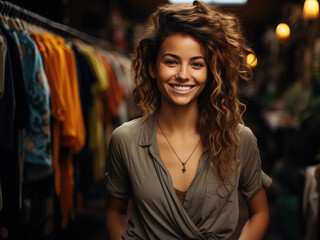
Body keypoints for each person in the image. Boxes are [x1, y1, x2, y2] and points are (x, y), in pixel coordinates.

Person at [104, 1, 272, 239]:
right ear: (152, 67)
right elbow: (114, 212)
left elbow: (260, 213)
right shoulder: (125, 139)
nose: (183, 75)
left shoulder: (239, 139)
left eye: (196, 64)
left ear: (209, 72)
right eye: (171, 61)